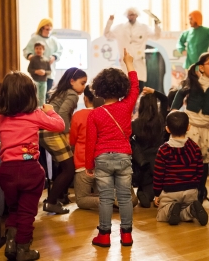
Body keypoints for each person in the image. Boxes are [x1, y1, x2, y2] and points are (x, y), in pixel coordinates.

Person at [0, 71, 64, 261]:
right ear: (31, 94)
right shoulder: (35, 114)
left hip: (6, 172)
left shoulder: (1, 118)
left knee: (14, 208)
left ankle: (10, 242)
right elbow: (59, 125)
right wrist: (50, 110)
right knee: (27, 212)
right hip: (30, 171)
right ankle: (23, 249)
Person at [85, 49, 139, 247]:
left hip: (102, 158)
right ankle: (126, 235)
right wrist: (129, 63)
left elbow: (90, 142)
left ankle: (104, 236)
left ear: (98, 88)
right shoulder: (127, 106)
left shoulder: (94, 114)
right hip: (124, 156)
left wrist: (88, 165)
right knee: (125, 197)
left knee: (106, 198)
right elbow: (135, 87)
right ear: (121, 88)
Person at [171, 51, 209, 203]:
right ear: (201, 68)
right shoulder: (193, 82)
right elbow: (179, 95)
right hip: (191, 125)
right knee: (188, 160)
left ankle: (200, 190)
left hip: (207, 127)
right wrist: (173, 110)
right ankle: (186, 188)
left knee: (203, 162)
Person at [40, 67, 87, 214]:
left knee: (64, 166)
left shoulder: (61, 92)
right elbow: (62, 113)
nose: (84, 87)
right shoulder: (72, 94)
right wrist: (67, 134)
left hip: (44, 132)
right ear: (72, 81)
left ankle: (57, 197)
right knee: (69, 168)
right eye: (82, 82)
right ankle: (52, 202)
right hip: (52, 133)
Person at [153, 111, 208, 226]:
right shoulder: (195, 147)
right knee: (185, 209)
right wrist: (195, 185)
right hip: (191, 191)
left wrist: (157, 193)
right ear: (188, 127)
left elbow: (158, 174)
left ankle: (171, 209)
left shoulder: (163, 150)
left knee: (161, 215)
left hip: (171, 191)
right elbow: (200, 171)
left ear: (167, 129)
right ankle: (191, 209)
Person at [104, 7, 161, 91]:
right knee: (125, 89)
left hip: (138, 62)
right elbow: (107, 34)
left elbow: (156, 36)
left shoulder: (143, 28)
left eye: (133, 15)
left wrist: (156, 24)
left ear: (137, 15)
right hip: (125, 63)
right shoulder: (120, 28)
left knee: (138, 89)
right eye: (129, 15)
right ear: (126, 16)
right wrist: (110, 21)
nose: (131, 17)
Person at [131, 86, 168, 207]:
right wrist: (154, 91)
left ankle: (143, 193)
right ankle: (149, 195)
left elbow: (127, 139)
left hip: (142, 162)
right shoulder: (161, 120)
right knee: (156, 183)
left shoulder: (135, 124)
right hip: (159, 159)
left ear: (140, 106)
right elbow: (165, 100)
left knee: (145, 182)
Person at [69, 85, 104, 210]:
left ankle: (106, 201)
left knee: (81, 199)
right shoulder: (105, 114)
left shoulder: (79, 115)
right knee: (102, 191)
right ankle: (112, 199)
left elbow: (72, 141)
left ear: (85, 98)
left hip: (83, 164)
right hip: (103, 164)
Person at [23, 18, 63, 98]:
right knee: (36, 94)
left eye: (50, 29)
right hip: (36, 72)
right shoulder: (35, 39)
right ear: (42, 28)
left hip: (48, 72)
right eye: (47, 29)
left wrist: (54, 56)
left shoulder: (54, 40)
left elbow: (60, 51)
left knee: (47, 93)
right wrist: (30, 56)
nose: (49, 31)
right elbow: (26, 50)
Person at [28, 41, 51, 107]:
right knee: (36, 95)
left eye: (40, 48)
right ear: (34, 49)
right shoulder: (33, 59)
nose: (38, 50)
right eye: (37, 48)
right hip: (35, 81)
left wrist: (44, 72)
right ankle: (36, 108)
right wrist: (36, 71)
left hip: (43, 81)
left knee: (42, 96)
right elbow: (29, 69)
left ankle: (42, 109)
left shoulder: (46, 60)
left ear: (43, 50)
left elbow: (49, 71)